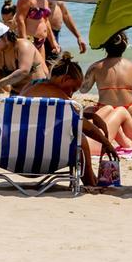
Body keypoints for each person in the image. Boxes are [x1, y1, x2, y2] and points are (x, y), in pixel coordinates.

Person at [22, 54, 121, 185]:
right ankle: (90, 182)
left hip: (18, 154)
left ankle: (92, 179)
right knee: (80, 137)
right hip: (40, 158)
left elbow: (52, 116)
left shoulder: (31, 86)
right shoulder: (56, 94)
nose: (71, 94)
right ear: (65, 79)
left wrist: (92, 116)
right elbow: (81, 124)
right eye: (73, 88)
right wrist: (106, 144)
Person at [0, 26, 48, 101]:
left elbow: (24, 71)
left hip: (37, 93)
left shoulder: (23, 45)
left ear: (5, 37)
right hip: (16, 95)